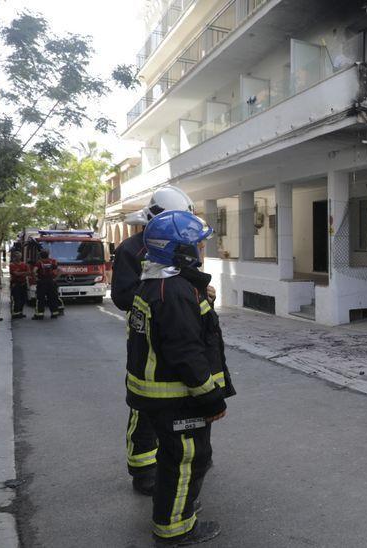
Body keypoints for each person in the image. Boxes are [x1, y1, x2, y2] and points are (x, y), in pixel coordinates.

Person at [127, 210, 232, 545]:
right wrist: (210, 396)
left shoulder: (159, 285)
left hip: (159, 397)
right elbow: (187, 353)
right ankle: (176, 528)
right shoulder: (173, 293)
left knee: (173, 458)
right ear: (182, 252)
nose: (203, 251)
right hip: (177, 400)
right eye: (198, 246)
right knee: (187, 459)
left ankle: (175, 506)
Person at [112, 185, 196, 496]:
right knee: (145, 403)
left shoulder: (182, 243)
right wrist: (159, 300)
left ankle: (178, 458)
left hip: (179, 331)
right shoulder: (131, 249)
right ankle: (143, 469)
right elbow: (122, 297)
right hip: (145, 335)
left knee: (181, 400)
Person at [32, 250, 62, 319]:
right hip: (51, 282)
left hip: (42, 282)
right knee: (53, 298)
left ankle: (40, 315)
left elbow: (34, 271)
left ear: (40, 256)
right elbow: (60, 271)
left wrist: (36, 279)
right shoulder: (52, 262)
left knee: (40, 299)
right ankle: (54, 314)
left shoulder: (39, 263)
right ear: (48, 255)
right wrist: (55, 279)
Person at [8, 249, 32, 320]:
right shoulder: (12, 265)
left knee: (23, 299)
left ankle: (20, 312)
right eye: (16, 256)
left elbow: (29, 272)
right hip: (15, 284)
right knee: (16, 299)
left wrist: (20, 273)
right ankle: (16, 313)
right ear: (14, 257)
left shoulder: (24, 264)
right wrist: (24, 273)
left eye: (19, 256)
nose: (18, 257)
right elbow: (15, 274)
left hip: (23, 284)